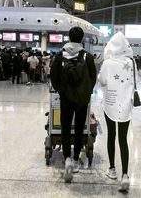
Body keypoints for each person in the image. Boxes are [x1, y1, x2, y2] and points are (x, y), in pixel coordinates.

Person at [50, 27, 96, 182]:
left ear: (69, 37)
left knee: (65, 127)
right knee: (79, 129)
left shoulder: (59, 55)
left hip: (66, 98)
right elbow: (93, 78)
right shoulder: (87, 57)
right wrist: (86, 92)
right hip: (82, 99)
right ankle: (76, 160)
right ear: (82, 39)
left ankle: (67, 158)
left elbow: (53, 78)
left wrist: (61, 91)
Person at [98, 32, 136, 192]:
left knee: (111, 136)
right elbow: (136, 82)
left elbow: (102, 81)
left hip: (110, 103)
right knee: (123, 139)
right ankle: (125, 175)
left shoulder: (107, 63)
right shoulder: (131, 62)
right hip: (126, 104)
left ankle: (112, 169)